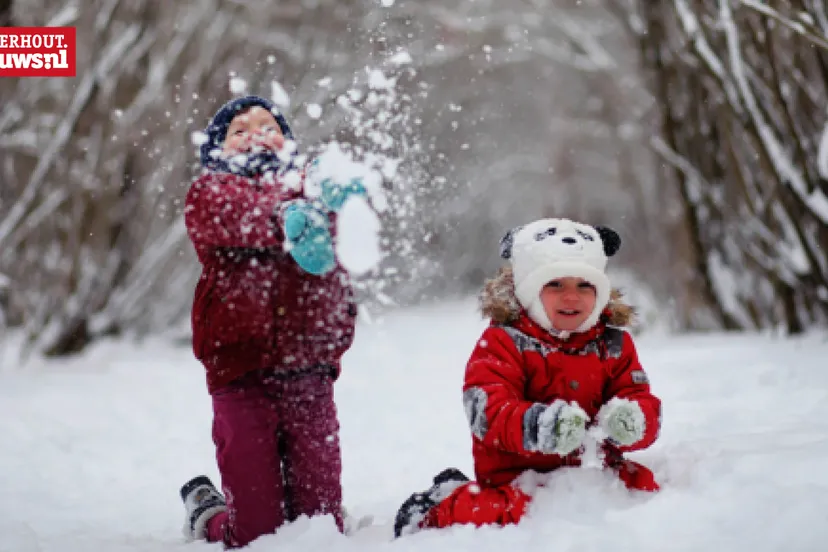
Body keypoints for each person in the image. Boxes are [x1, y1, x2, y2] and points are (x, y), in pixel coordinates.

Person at [393, 218, 662, 537]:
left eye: (584, 286)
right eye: (556, 285)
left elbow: (637, 394)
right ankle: (436, 507)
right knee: (509, 512)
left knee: (642, 486)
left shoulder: (613, 344)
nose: (571, 297)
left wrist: (632, 420)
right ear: (529, 291)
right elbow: (487, 410)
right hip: (519, 477)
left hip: (592, 471)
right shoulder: (503, 342)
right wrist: (539, 426)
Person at [179, 95, 364, 548]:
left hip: (309, 372)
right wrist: (291, 213)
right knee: (255, 531)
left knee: (320, 523)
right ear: (217, 152)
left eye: (267, 125)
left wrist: (335, 198)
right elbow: (238, 215)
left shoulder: (311, 185)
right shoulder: (211, 191)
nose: (254, 133)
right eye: (238, 130)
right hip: (241, 372)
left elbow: (337, 246)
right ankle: (209, 513)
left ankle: (312, 504)